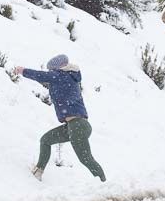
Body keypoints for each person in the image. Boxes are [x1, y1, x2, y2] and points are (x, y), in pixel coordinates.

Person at [13, 54, 105, 182]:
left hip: (77, 126)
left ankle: (103, 182)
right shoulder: (68, 78)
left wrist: (23, 71)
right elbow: (49, 81)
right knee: (45, 140)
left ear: (59, 68)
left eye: (52, 70)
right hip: (74, 126)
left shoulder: (62, 76)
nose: (51, 73)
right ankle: (38, 171)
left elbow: (41, 75)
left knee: (86, 159)